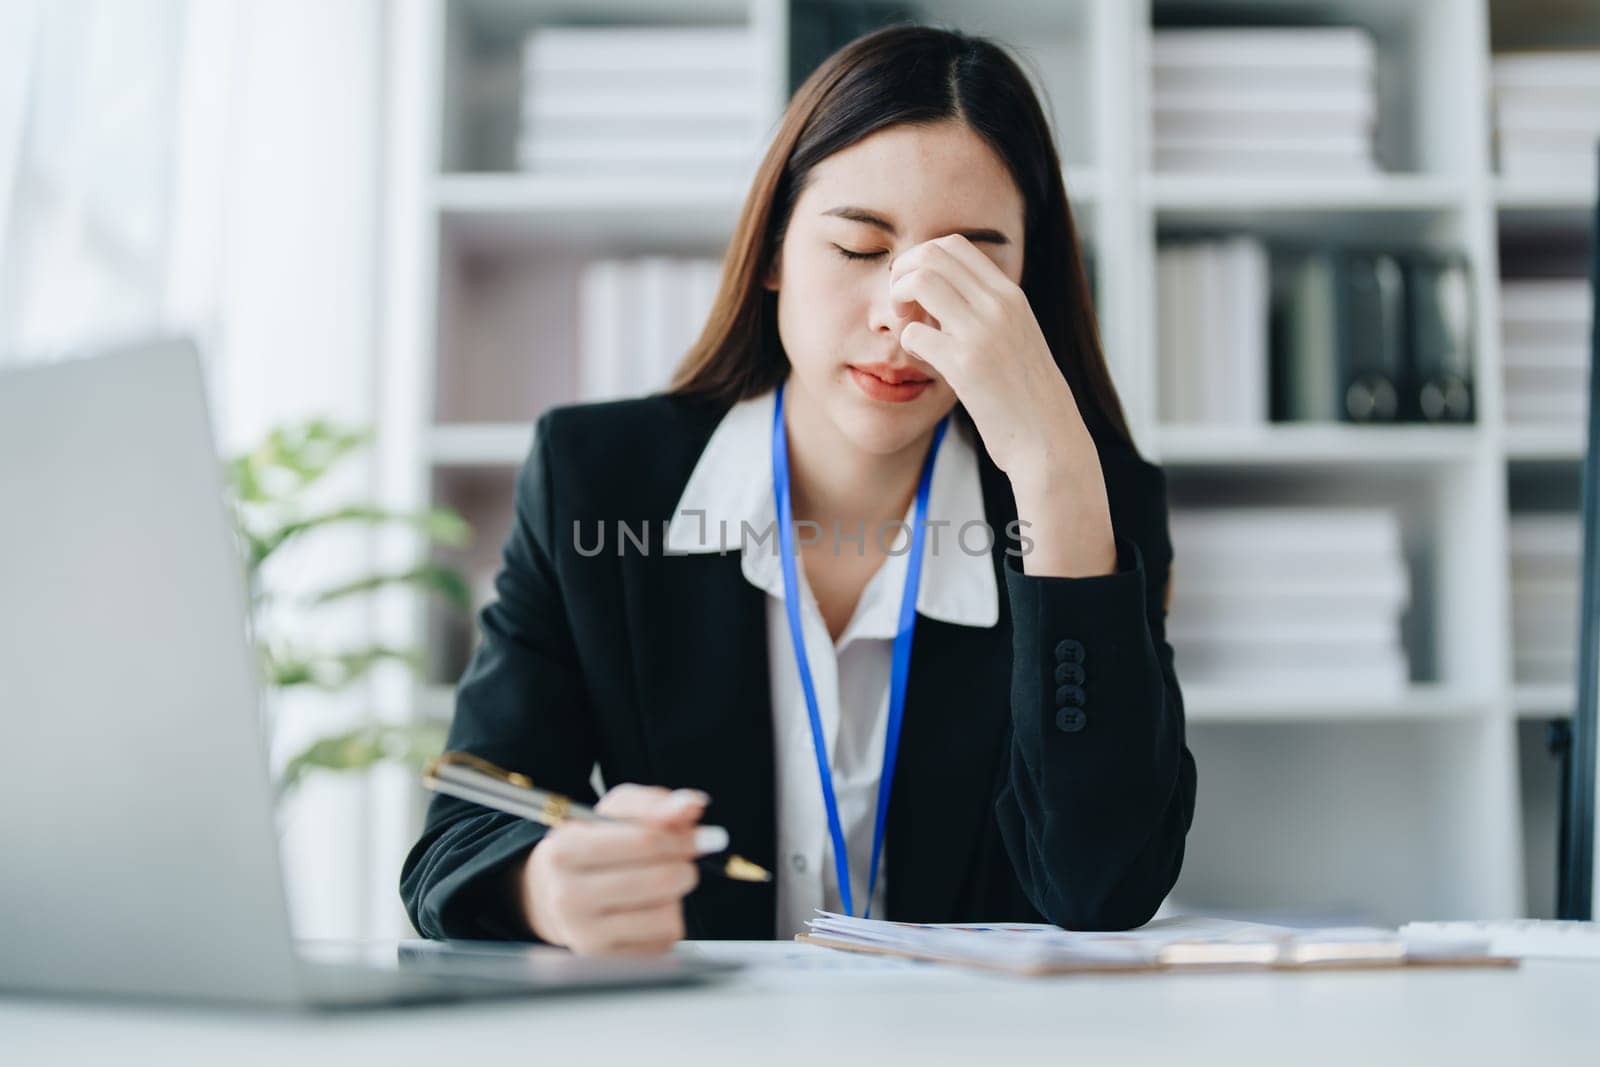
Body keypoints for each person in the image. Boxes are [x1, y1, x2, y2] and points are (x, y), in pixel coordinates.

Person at [400, 24, 1196, 956]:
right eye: (859, 248)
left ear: (1026, 286)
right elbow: (459, 831)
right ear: (774, 250)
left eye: (969, 268)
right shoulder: (598, 480)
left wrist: (1057, 478)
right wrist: (543, 885)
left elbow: (1103, 886)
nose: (904, 316)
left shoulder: (1093, 506)